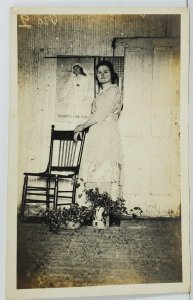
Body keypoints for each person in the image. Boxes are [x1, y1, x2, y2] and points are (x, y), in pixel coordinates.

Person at [74, 60, 123, 205]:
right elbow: (93, 117)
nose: (102, 74)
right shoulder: (100, 93)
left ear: (112, 74)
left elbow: (101, 113)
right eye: (99, 72)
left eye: (105, 71)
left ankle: (104, 209)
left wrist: (82, 127)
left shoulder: (114, 90)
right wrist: (82, 127)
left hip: (107, 135)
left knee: (105, 169)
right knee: (93, 169)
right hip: (95, 134)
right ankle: (92, 208)